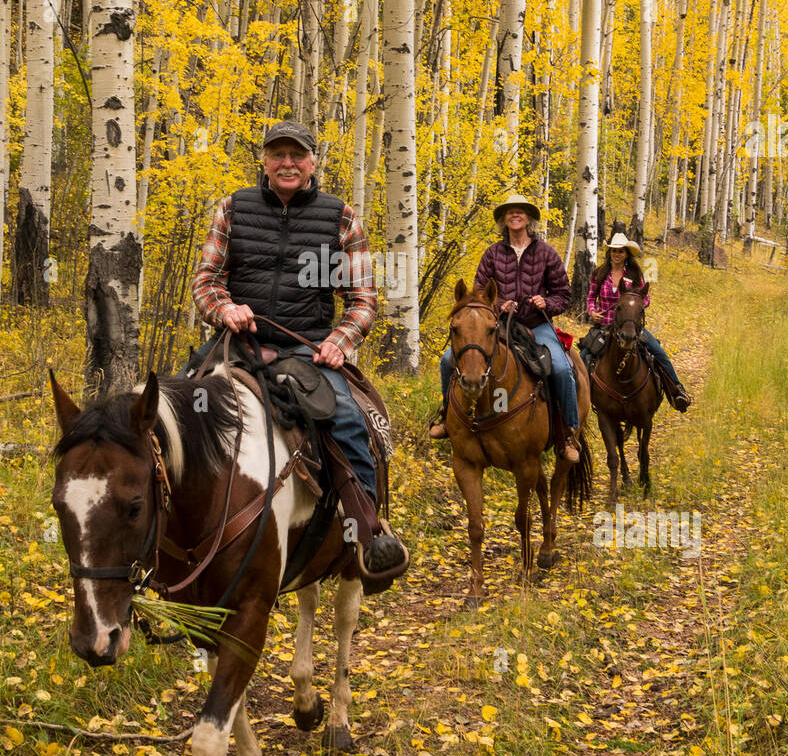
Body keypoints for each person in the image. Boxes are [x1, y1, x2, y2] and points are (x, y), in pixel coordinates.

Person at [190, 119, 408, 580]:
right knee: (176, 411)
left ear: (313, 162)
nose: (287, 163)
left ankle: (367, 537)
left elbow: (364, 296)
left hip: (306, 349)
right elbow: (206, 280)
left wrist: (338, 341)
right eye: (278, 155)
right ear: (265, 161)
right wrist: (224, 308)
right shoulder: (232, 208)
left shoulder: (340, 216)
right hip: (237, 345)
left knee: (347, 420)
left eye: (297, 155)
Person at [430, 194, 582, 463]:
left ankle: (567, 433)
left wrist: (545, 302)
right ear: (504, 219)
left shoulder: (545, 252)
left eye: (520, 212)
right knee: (446, 360)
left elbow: (564, 294)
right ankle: (445, 415)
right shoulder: (493, 253)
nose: (515, 215)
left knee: (562, 368)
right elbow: (478, 293)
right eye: (510, 212)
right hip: (497, 325)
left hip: (537, 325)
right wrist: (498, 304)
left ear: (528, 218)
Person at [583, 233, 691, 411]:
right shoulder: (600, 274)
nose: (617, 254)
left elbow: (646, 299)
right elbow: (590, 299)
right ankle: (581, 398)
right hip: (604, 327)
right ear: (609, 252)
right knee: (583, 357)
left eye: (621, 251)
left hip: (630, 326)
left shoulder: (634, 274)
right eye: (614, 251)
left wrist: (634, 304)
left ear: (626, 254)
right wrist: (592, 312)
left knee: (658, 352)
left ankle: (677, 391)